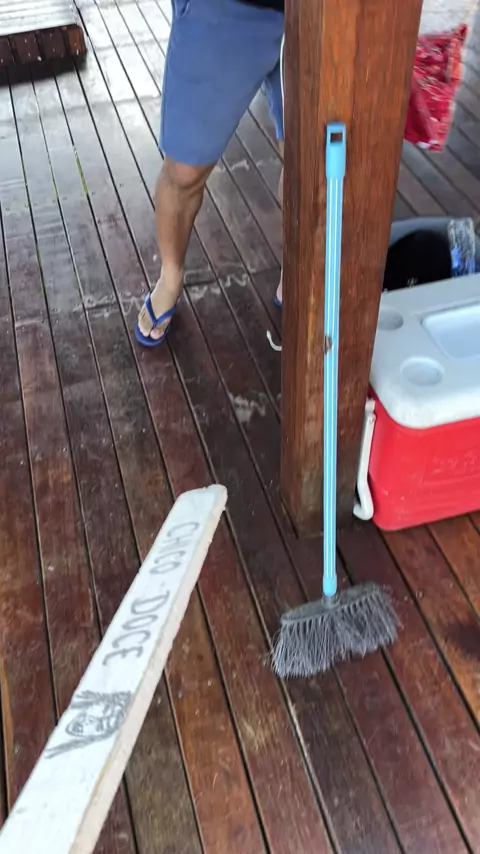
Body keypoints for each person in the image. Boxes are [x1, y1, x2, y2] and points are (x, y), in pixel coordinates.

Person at [135, 0, 285, 347]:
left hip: (326, 13)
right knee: (184, 171)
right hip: (227, 9)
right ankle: (170, 276)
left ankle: (300, 265)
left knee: (312, 164)